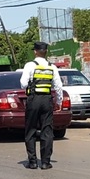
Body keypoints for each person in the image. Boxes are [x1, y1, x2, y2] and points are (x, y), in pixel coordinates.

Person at [20, 41, 63, 170]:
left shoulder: (30, 65)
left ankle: (32, 162)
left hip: (33, 99)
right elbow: (59, 86)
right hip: (47, 100)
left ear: (35, 51)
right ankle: (45, 162)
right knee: (47, 130)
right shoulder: (52, 67)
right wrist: (59, 101)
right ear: (46, 52)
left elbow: (23, 84)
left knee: (31, 129)